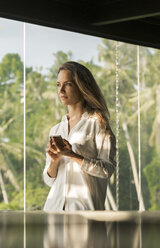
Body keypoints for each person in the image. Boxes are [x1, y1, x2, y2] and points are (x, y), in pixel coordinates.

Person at [43, 61, 116, 211]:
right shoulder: (56, 129)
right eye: (58, 84)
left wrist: (72, 155)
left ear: (81, 86)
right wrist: (54, 162)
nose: (61, 90)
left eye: (68, 84)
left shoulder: (98, 124)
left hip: (85, 213)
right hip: (53, 209)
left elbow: (106, 169)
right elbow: (49, 180)